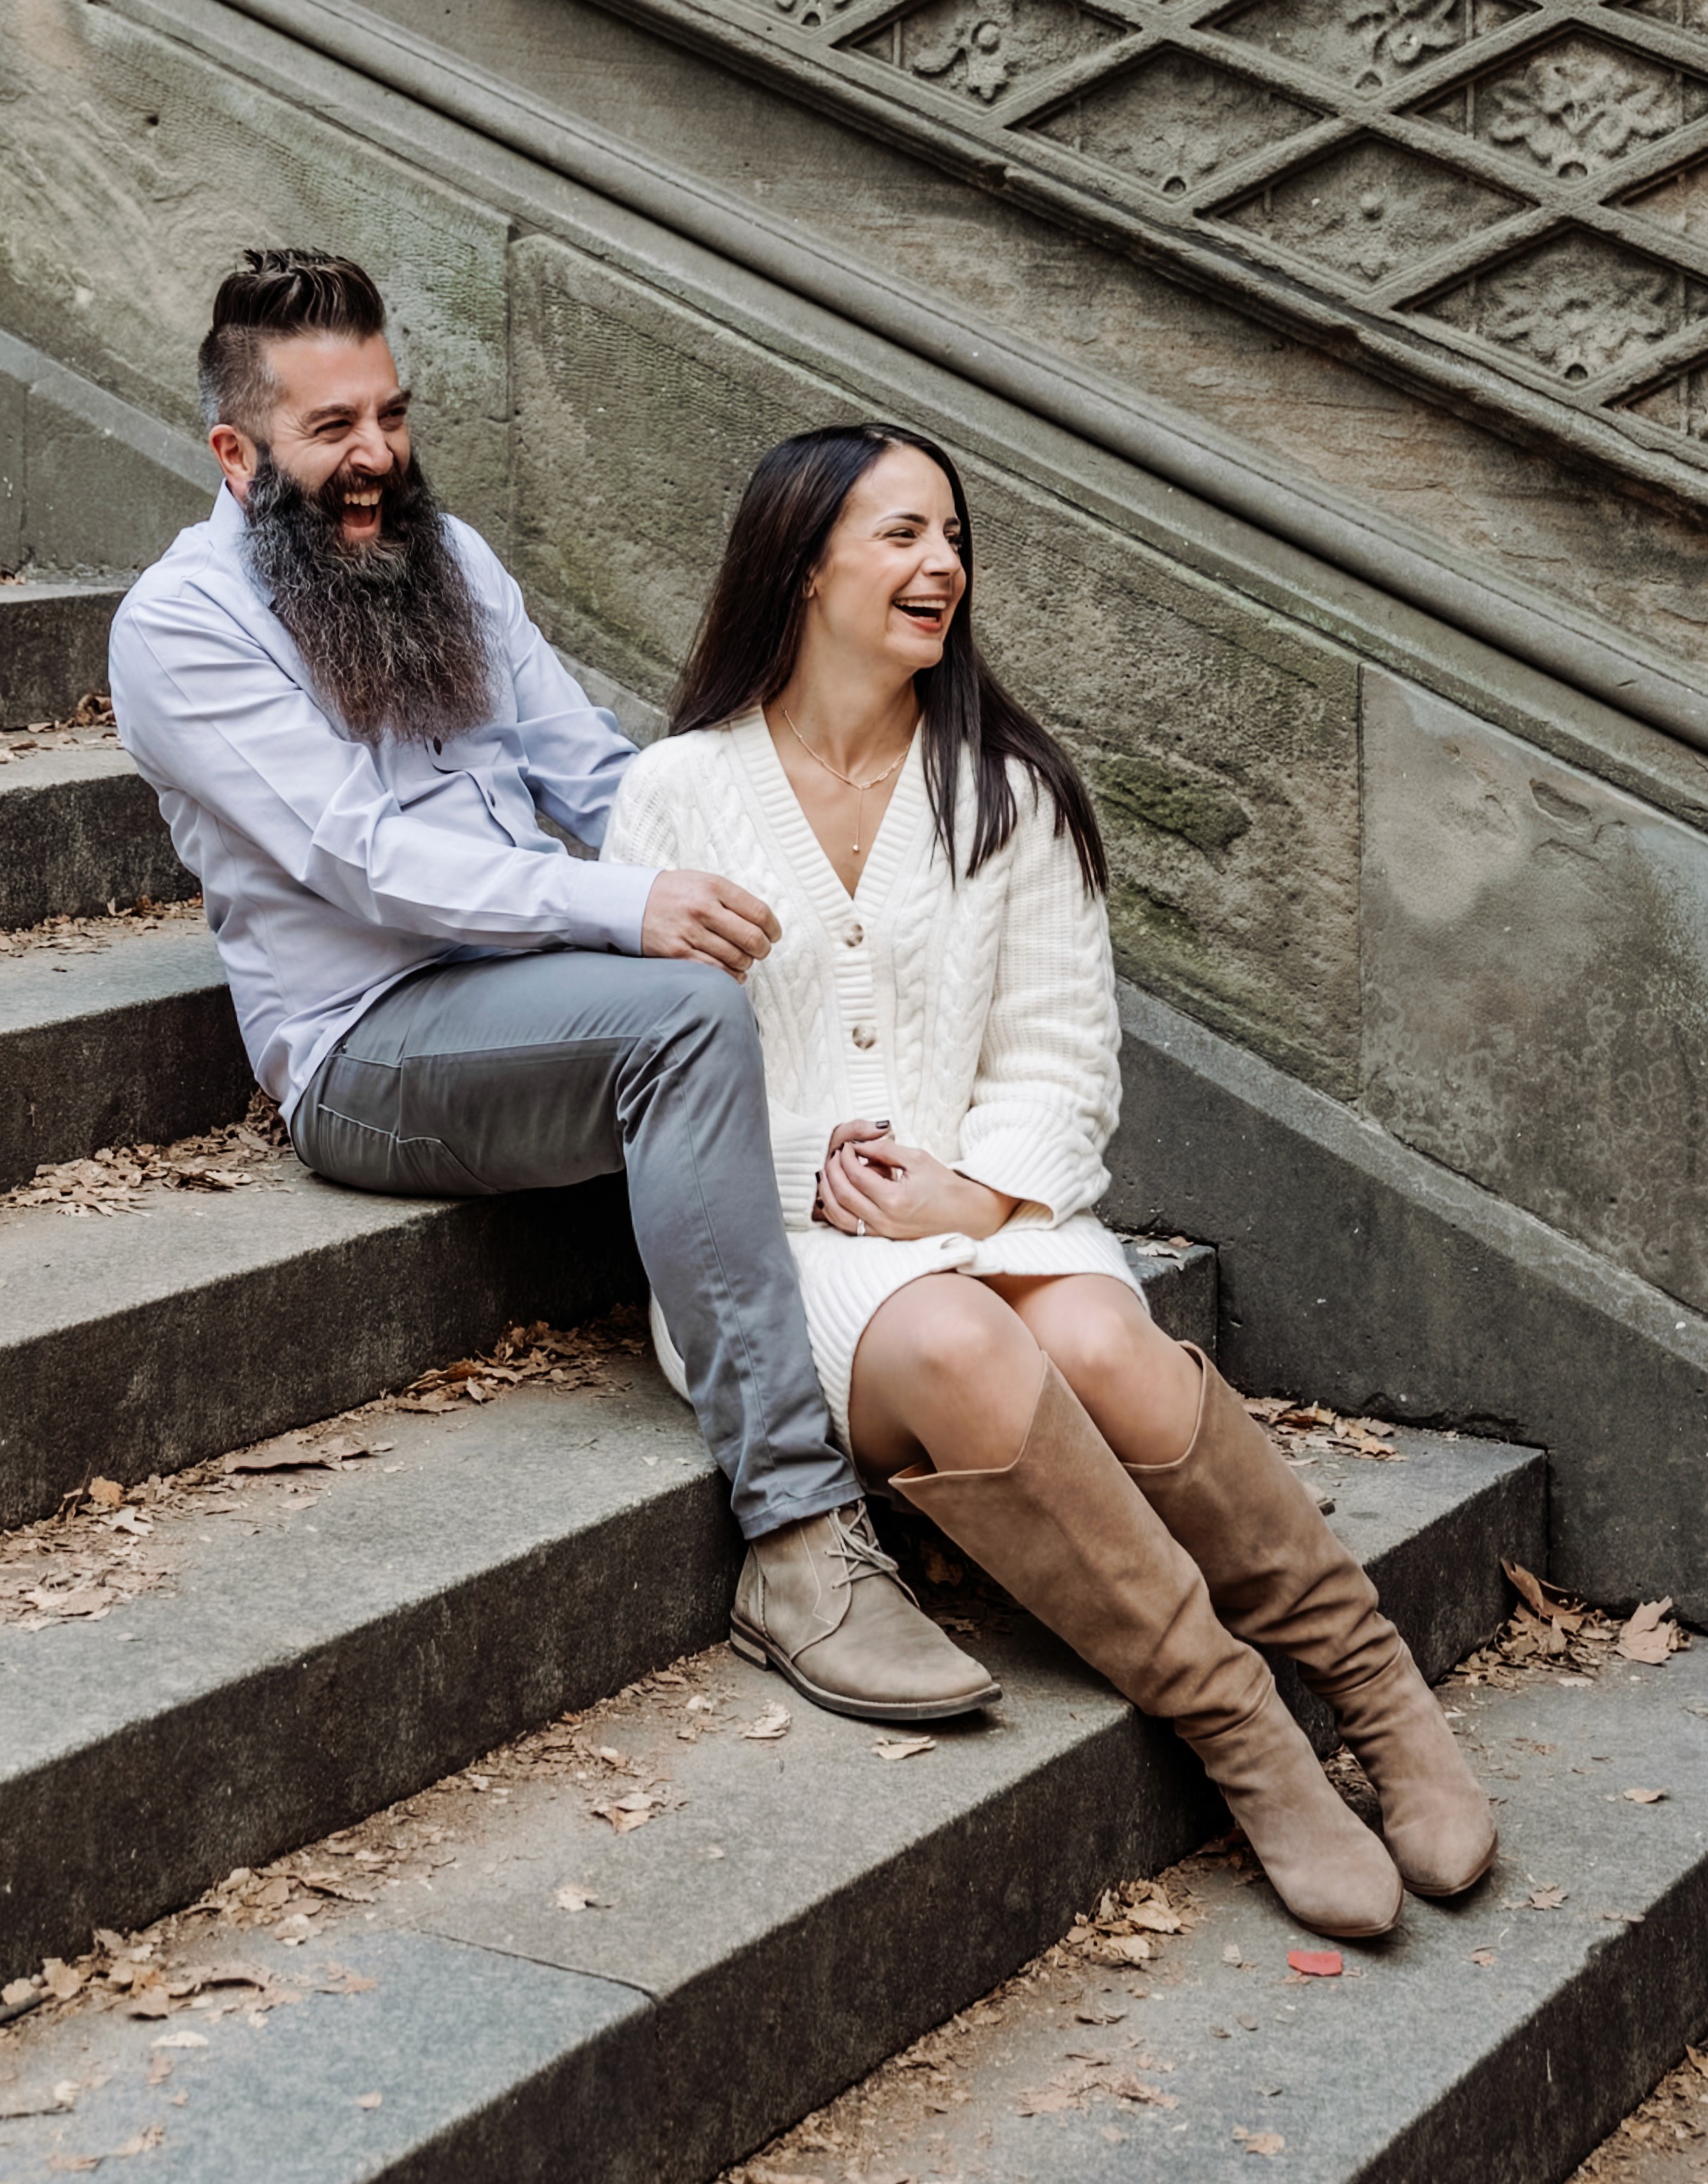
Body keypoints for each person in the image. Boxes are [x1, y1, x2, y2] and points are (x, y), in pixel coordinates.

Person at [602, 421, 1499, 1944]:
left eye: (952, 534)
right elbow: (649, 1080)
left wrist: (973, 1195)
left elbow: (1062, 1062)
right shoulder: (676, 794)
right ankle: (1246, 1736)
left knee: (1096, 1344)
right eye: (899, 533)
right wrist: (808, 1168)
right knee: (962, 1341)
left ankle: (1370, 1683)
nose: (940, 563)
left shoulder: (1004, 789)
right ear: (801, 559)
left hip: (992, 1214)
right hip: (774, 1256)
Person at [107, 249, 992, 1727]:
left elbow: (593, 773)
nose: (376, 454)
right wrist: (630, 905)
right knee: (684, 1009)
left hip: (539, 986)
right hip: (370, 1046)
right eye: (331, 428)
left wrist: (795, 862)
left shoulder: (444, 560)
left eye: (389, 412)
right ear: (236, 448)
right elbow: (366, 858)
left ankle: (931, 1303)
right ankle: (793, 1537)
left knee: (780, 951)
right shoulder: (181, 625)